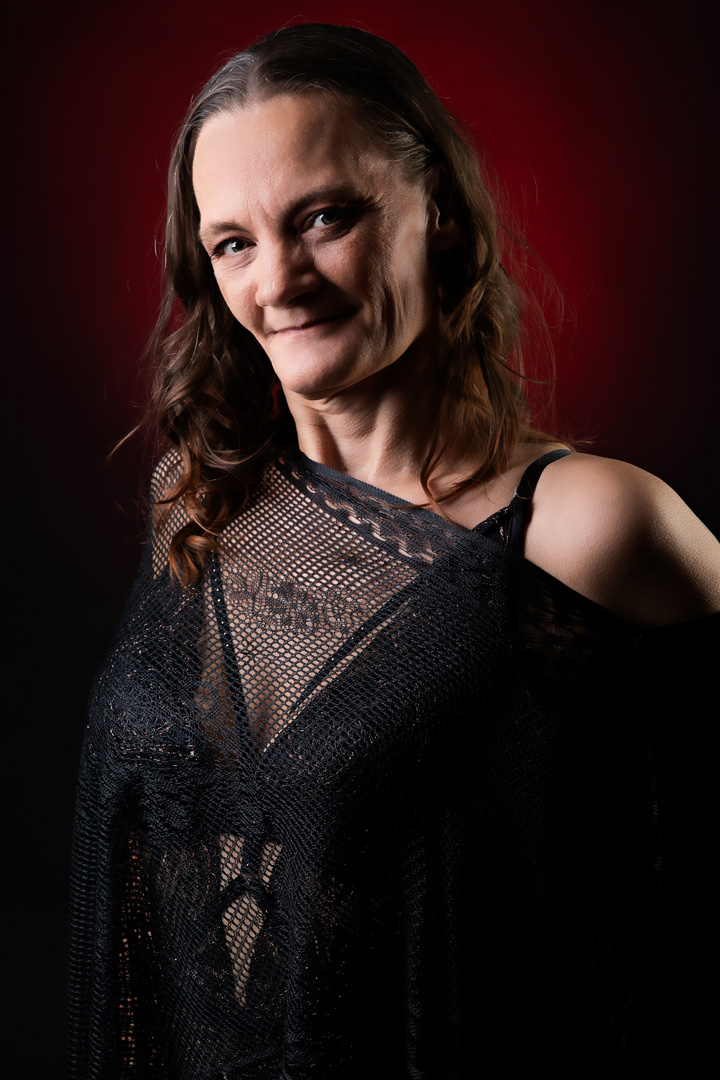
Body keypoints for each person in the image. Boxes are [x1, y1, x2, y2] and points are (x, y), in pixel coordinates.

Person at [68, 24, 719, 1078]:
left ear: (440, 213)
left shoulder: (588, 528)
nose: (280, 281)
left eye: (325, 218)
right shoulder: (199, 503)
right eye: (234, 243)